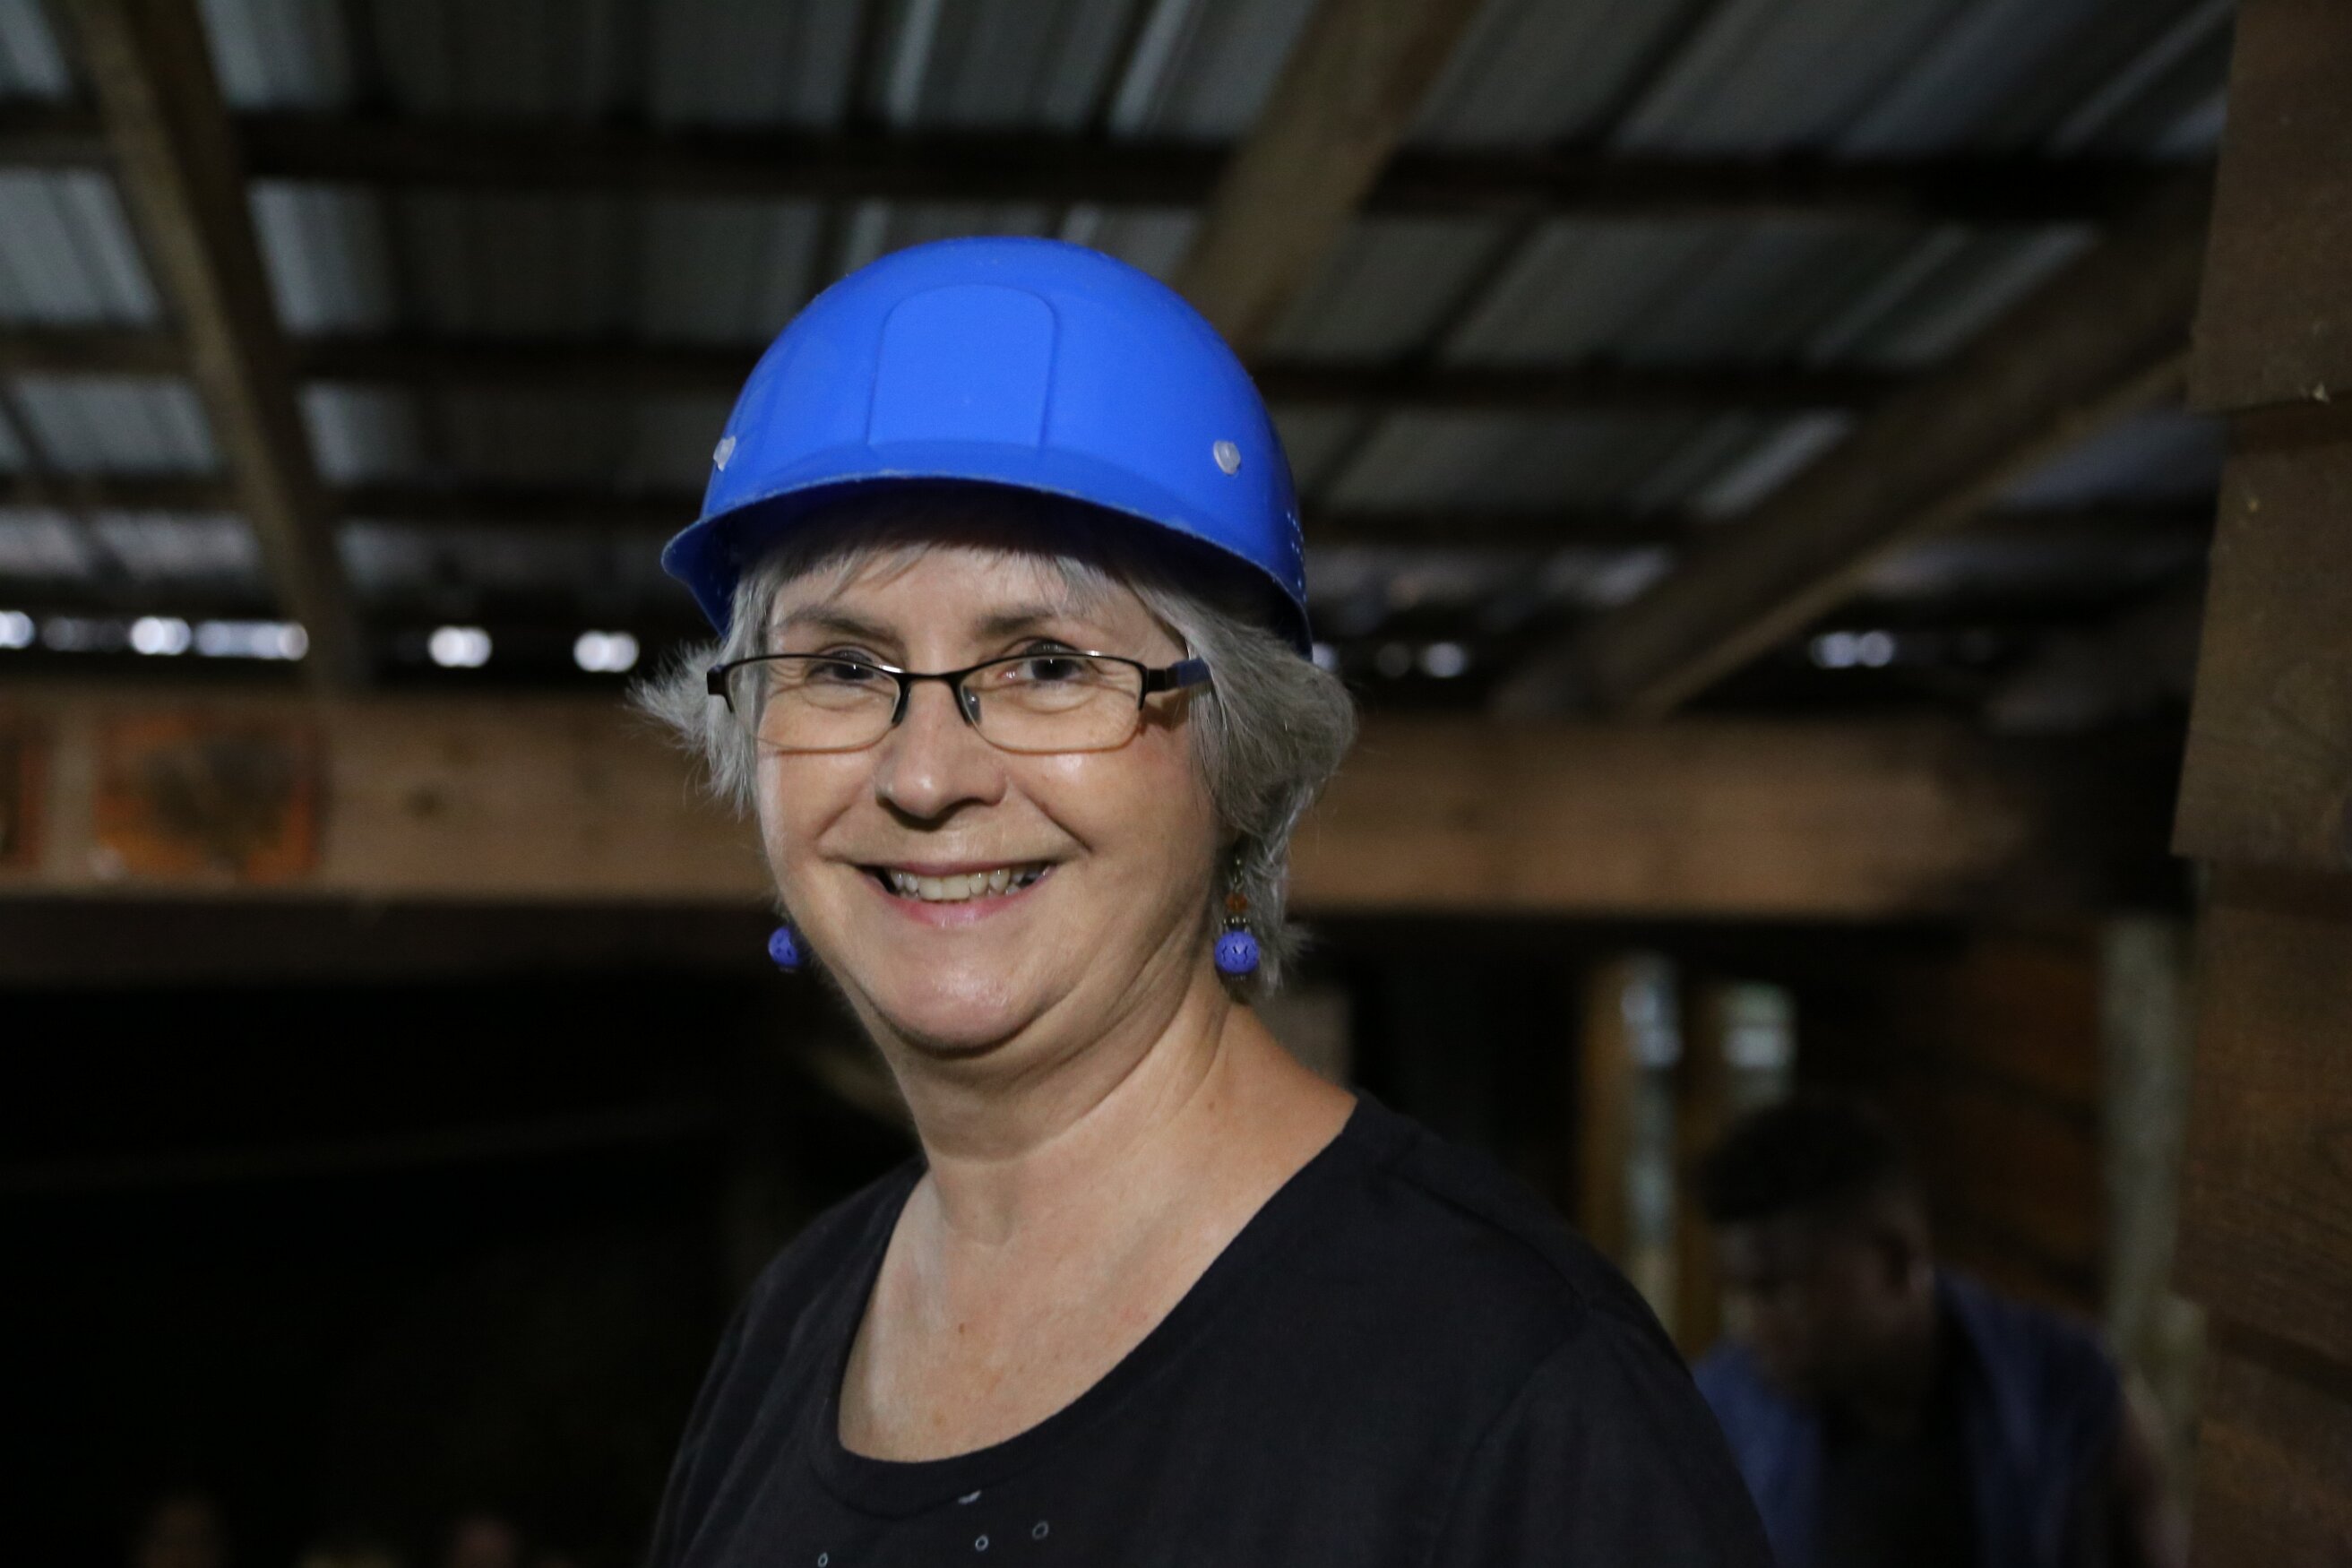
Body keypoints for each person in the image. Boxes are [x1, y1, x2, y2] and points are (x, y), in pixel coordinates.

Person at [638, 237, 1770, 1565]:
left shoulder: (1511, 1385)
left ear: (1242, 754)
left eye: (1046, 663)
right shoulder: (795, 1326)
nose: (926, 774)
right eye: (840, 667)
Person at [1692, 1095, 2184, 1568]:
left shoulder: (2067, 1385)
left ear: (1894, 1261)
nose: (1749, 1325)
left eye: (1776, 1290)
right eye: (1738, 1291)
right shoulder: (1721, 1411)